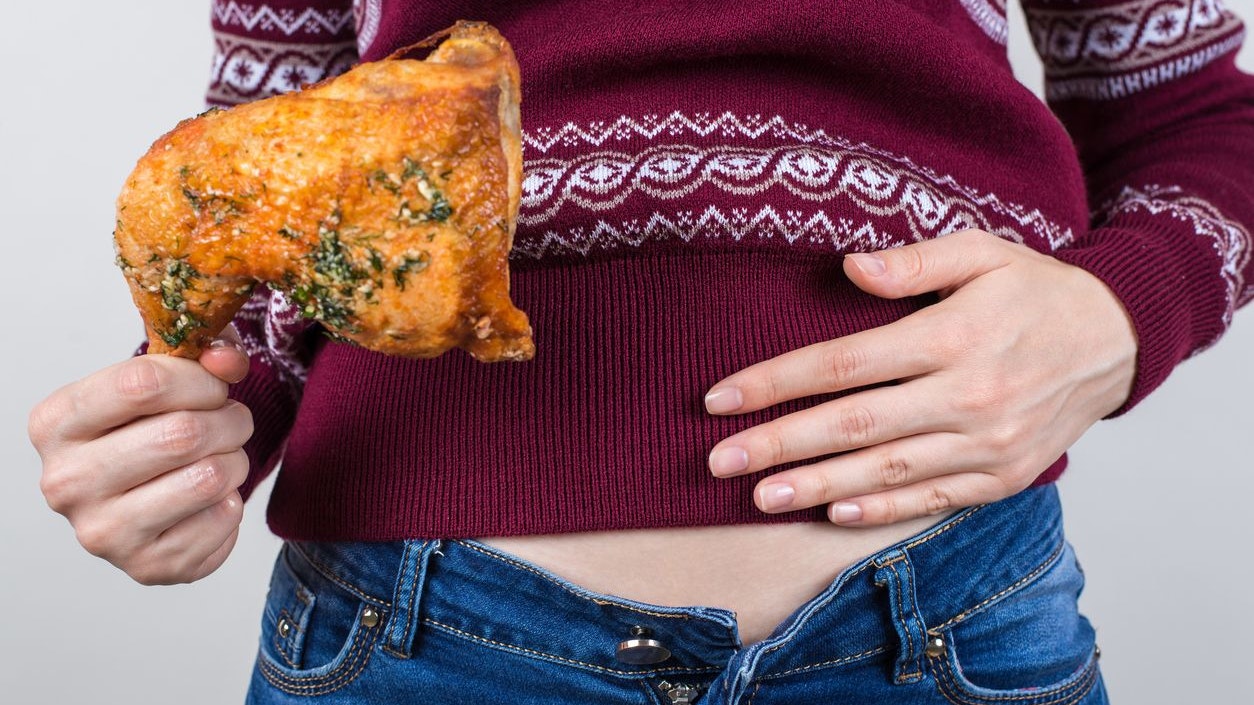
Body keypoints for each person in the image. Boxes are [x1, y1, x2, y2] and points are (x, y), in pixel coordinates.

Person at [28, 1, 1254, 702]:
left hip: (946, 616)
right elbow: (263, 168)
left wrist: (1122, 314)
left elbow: (1199, 111)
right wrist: (192, 430)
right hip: (422, 636)